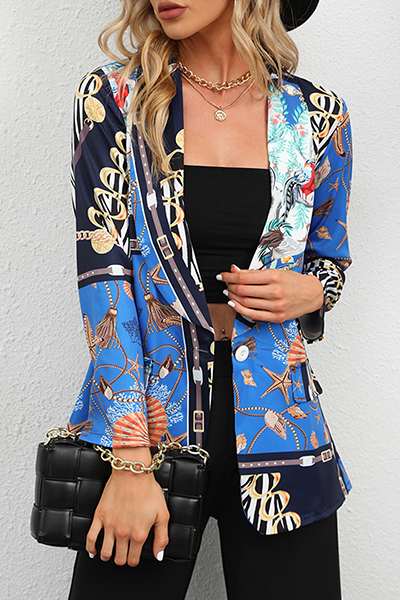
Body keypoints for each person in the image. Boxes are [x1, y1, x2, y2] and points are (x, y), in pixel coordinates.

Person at [67, 1, 353, 598]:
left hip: (281, 432)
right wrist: (130, 459)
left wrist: (313, 291)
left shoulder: (318, 115)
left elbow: (328, 259)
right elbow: (104, 280)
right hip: (150, 428)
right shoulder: (115, 99)